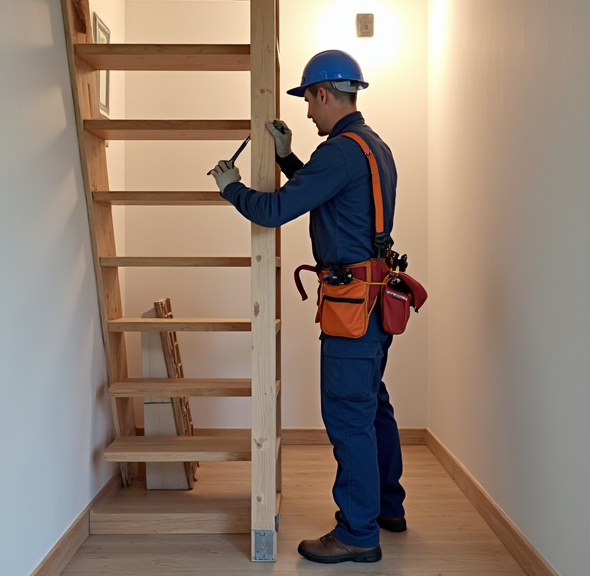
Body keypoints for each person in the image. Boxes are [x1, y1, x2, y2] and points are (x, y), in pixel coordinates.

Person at [209, 49, 405, 564]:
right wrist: (287, 158)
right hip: (376, 302)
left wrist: (232, 188)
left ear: (323, 94)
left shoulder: (338, 152)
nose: (308, 113)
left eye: (308, 103)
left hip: (351, 307)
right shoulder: (371, 147)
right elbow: (333, 196)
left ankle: (358, 534)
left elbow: (275, 210)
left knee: (347, 417)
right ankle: (388, 506)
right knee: (372, 406)